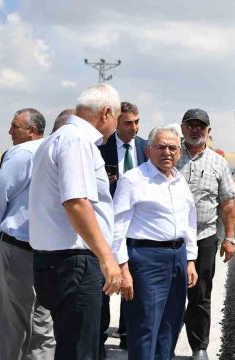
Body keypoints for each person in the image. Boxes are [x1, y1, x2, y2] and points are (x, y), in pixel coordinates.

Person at [29, 83, 123, 360]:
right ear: (106, 113)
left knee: (73, 347)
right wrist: (107, 257)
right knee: (80, 351)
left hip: (58, 261)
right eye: (117, 118)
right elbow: (76, 202)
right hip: (75, 263)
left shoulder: (57, 139)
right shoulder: (77, 142)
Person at [113, 126, 198, 360]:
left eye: (172, 148)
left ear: (180, 152)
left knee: (171, 325)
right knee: (145, 328)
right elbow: (117, 227)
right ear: (148, 150)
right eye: (160, 147)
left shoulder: (180, 181)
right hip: (146, 259)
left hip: (178, 258)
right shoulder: (133, 180)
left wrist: (190, 260)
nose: (167, 152)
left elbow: (189, 222)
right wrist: (122, 268)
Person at [0, 108, 55, 359]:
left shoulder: (21, 154)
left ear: (32, 131)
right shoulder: (53, 150)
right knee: (43, 322)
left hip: (17, 248)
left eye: (15, 126)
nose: (9, 131)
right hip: (49, 249)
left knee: (10, 321)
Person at [177, 108, 235, 360]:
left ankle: (199, 347)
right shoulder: (170, 155)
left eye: (200, 126)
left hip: (204, 238)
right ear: (182, 128)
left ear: (208, 131)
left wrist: (230, 237)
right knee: (170, 293)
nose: (195, 129)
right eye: (190, 125)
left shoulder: (219, 163)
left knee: (200, 293)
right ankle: (164, 341)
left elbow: (227, 203)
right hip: (171, 240)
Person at [97, 101, 148, 353]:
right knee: (105, 282)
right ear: (116, 121)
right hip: (106, 227)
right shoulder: (100, 149)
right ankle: (99, 337)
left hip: (136, 227)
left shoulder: (145, 148)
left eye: (137, 122)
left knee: (132, 281)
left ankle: (128, 333)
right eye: (128, 123)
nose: (135, 128)